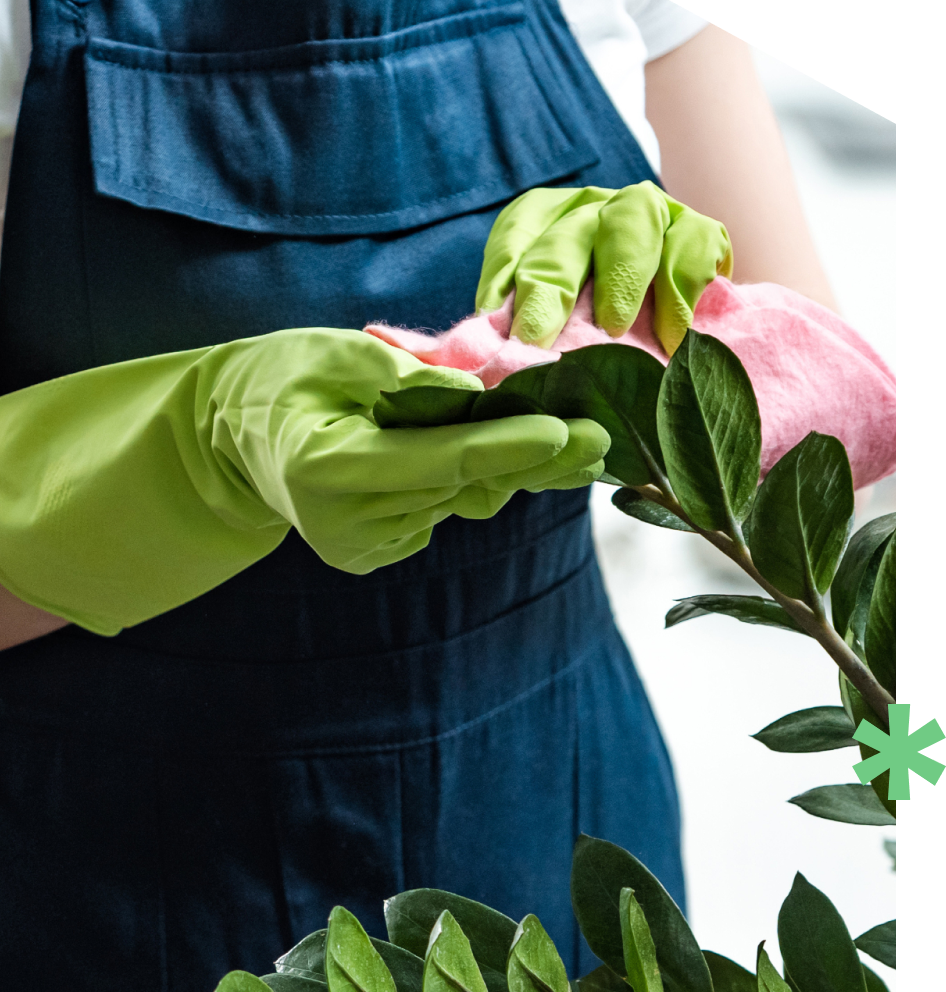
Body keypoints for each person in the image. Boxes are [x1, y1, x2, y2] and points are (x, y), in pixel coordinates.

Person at [0, 1, 837, 987]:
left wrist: (655, 321)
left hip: (555, 814)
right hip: (118, 874)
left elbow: (826, 432)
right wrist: (190, 448)